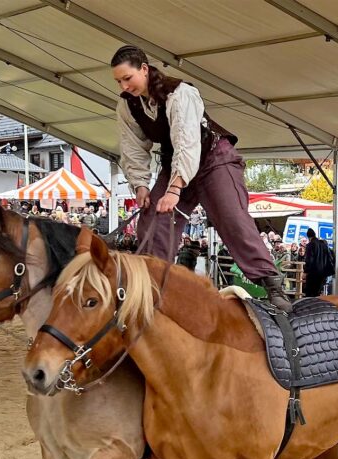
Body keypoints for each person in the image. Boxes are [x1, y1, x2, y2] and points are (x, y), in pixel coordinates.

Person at [111, 45, 290, 311]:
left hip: (213, 160)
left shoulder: (181, 93)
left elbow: (187, 142)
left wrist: (174, 189)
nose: (124, 86)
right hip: (176, 165)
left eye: (128, 78)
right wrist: (140, 185)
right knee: (153, 218)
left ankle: (272, 284)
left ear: (145, 69)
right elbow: (132, 147)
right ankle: (149, 285)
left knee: (231, 218)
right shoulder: (128, 105)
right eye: (119, 81)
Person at [301, 227, 332, 298]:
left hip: (313, 273)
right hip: (323, 273)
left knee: (310, 293)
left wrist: (305, 271)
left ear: (308, 237)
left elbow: (309, 260)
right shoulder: (323, 245)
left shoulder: (310, 245)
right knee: (317, 293)